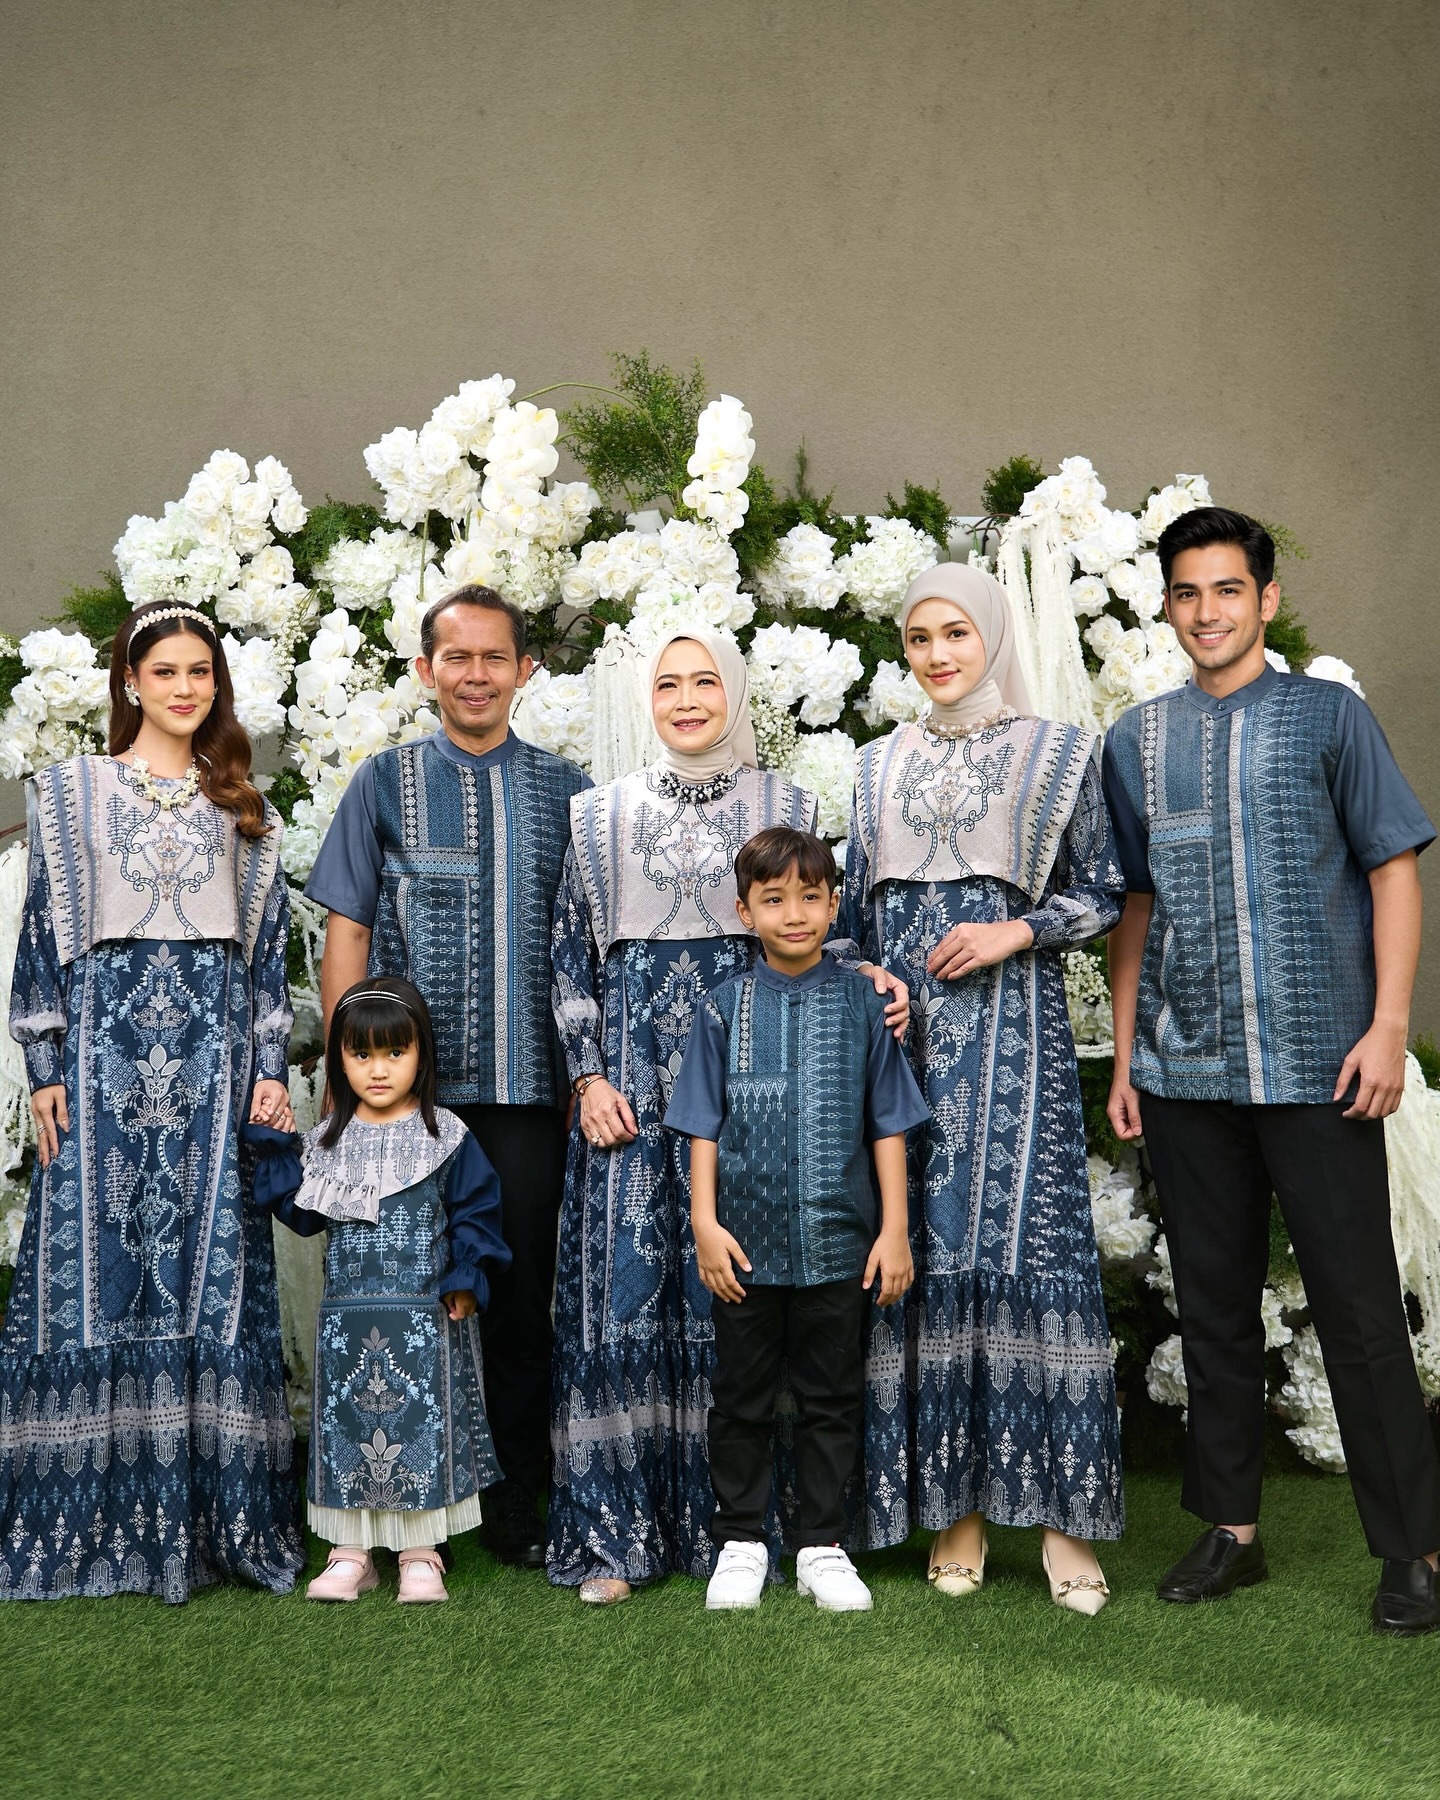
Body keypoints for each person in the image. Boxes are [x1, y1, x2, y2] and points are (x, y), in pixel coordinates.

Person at [1103, 506, 1440, 1637]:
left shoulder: (1329, 717)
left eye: (1228, 590)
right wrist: (1128, 1052)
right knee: (1211, 1309)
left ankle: (1413, 1550)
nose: (1207, 612)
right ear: (1167, 605)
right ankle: (1230, 1531)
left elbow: (1393, 869)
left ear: (1267, 599)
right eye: (1187, 592)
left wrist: (1388, 1026)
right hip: (1185, 1072)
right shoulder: (1135, 740)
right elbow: (1135, 906)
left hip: (1319, 1066)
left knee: (1359, 1311)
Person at [547, 627, 910, 1603]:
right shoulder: (599, 817)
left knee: (762, 1317)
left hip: (772, 1104)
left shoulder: (789, 807)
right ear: (646, 698)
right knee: (629, 1295)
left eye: (706, 680)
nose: (687, 698)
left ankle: (781, 1534)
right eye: (668, 683)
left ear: (735, 693)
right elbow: (569, 959)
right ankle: (624, 1538)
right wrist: (588, 1079)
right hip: (632, 1100)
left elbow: (834, 935)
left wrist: (876, 979)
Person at [1, 601, 304, 1602]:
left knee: (209, 1269)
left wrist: (269, 1069)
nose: (184, 688)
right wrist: (45, 1066)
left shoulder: (242, 805)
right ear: (130, 682)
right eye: (165, 671)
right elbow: (41, 936)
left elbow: (266, 960)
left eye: (199, 672)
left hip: (214, 1072)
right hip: (101, 1066)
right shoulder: (68, 794)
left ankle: (214, 1521)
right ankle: (82, 1523)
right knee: (95, 1268)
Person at [839, 564, 1126, 1614]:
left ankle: (1062, 1524)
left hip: (1016, 1044)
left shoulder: (1058, 753)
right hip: (903, 1049)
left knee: (1028, 1248)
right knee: (921, 1250)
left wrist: (1017, 930)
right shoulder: (875, 766)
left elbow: (1105, 891)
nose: (938, 654)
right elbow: (845, 921)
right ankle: (952, 1513)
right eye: (919, 638)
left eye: (956, 633)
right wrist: (871, 976)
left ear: (992, 636)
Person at [306, 583, 587, 1569]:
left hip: (526, 1091)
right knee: (401, 1292)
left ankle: (514, 1496)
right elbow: (347, 928)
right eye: (456, 658)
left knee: (517, 1293)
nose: (475, 675)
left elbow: (586, 942)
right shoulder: (381, 782)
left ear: (524, 671)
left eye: (494, 657)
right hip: (404, 1099)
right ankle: (397, 1498)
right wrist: (345, 1080)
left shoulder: (568, 791)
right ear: (426, 670)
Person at [664, 827, 930, 1612]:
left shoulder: (865, 1005)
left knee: (831, 1398)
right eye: (774, 899)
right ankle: (740, 1543)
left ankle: (821, 1545)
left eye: (810, 898)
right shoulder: (721, 1007)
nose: (794, 914)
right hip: (742, 1249)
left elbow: (888, 1124)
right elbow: (702, 1125)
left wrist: (893, 1230)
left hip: (840, 1245)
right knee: (740, 1397)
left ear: (834, 905)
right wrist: (704, 1225)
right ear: (744, 911)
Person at [248, 977, 509, 1604]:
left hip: (424, 1321)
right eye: (361, 1054)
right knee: (350, 1426)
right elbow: (301, 1212)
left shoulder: (446, 1135)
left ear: (421, 1055)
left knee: (418, 1426)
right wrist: (277, 1149)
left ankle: (421, 1553)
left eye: (395, 1052)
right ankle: (351, 1553)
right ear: (340, 1059)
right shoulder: (328, 1142)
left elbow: (477, 1212)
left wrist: (466, 1277)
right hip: (346, 1325)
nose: (379, 1069)